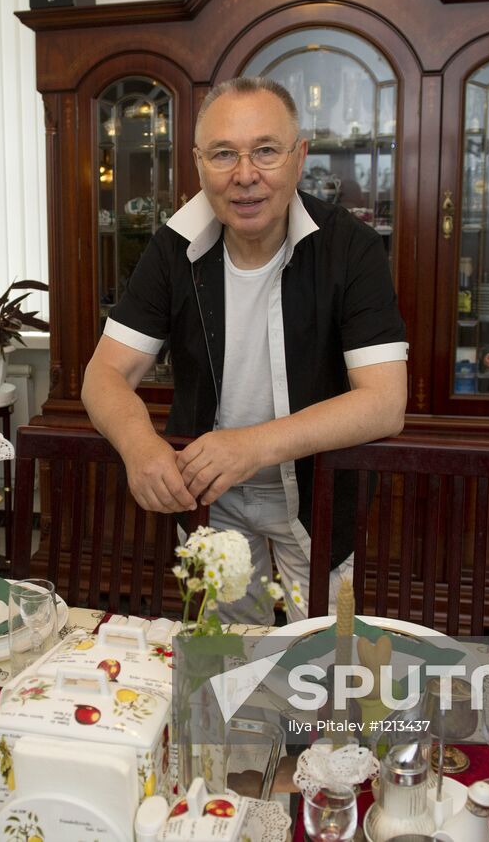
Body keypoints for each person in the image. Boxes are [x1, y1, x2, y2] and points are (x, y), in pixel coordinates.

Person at [81, 76, 408, 623]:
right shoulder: (172, 247)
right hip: (211, 498)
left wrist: (251, 447)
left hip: (317, 493)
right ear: (198, 163)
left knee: (321, 667)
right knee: (229, 668)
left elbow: (384, 402)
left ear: (299, 158)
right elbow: (105, 374)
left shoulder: (351, 247)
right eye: (223, 154)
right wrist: (139, 446)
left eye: (265, 151)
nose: (245, 175)